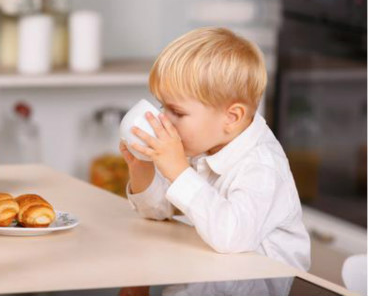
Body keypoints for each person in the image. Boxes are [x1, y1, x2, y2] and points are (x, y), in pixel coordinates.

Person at [120, 27, 311, 271]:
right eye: (162, 106)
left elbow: (230, 237)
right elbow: (157, 212)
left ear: (231, 117)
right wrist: (142, 170)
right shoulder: (203, 145)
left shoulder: (262, 167)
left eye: (177, 112)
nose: (164, 120)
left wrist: (179, 171)